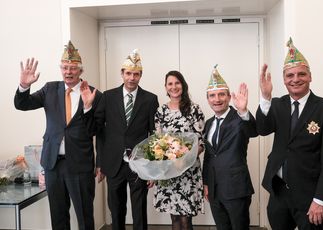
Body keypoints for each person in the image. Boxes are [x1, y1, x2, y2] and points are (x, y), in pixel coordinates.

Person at [256, 38, 323, 230]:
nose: (295, 79)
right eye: (290, 75)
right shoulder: (278, 104)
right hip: (279, 193)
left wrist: (321, 199)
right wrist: (265, 97)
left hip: (310, 195)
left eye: (301, 74)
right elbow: (262, 129)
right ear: (284, 79)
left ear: (310, 76)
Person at [14, 41, 102, 230]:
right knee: (58, 216)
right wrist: (23, 85)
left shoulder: (94, 94)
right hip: (53, 164)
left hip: (80, 165)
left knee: (85, 217)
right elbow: (22, 104)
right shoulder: (50, 89)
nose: (68, 72)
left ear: (80, 71)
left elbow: (95, 131)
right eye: (64, 68)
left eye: (72, 68)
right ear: (60, 69)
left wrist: (87, 107)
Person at [80, 49, 159, 230]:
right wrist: (87, 108)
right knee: (116, 210)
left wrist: (153, 169)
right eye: (128, 73)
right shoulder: (108, 97)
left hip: (139, 164)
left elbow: (154, 135)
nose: (132, 78)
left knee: (139, 211)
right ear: (122, 74)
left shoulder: (150, 99)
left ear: (140, 76)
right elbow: (97, 131)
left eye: (136, 74)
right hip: (113, 164)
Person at [202, 66, 258, 230]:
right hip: (214, 189)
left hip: (236, 188)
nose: (217, 99)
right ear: (208, 99)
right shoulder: (209, 124)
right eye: (212, 95)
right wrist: (206, 183)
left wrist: (244, 111)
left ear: (228, 97)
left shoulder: (239, 118)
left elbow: (253, 131)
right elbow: (209, 156)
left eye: (221, 94)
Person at [153, 70, 205, 230]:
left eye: (177, 83)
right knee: (174, 218)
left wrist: (184, 160)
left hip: (188, 172)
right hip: (168, 171)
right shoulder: (161, 112)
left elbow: (201, 142)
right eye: (170, 83)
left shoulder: (194, 109)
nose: (174, 87)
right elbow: (158, 143)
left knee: (185, 220)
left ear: (183, 85)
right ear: (166, 87)